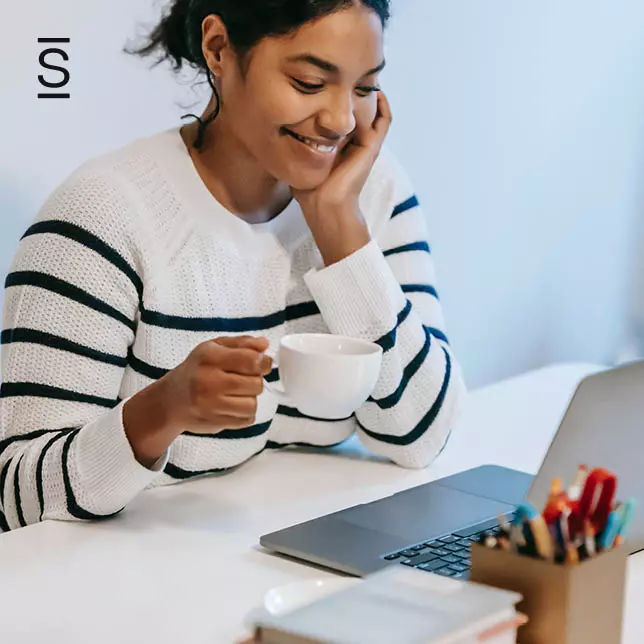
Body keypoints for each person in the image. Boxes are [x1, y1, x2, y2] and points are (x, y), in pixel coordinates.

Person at [0, 0, 466, 532]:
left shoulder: (371, 192)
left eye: (363, 89)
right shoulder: (103, 215)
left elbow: (423, 436)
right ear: (218, 48)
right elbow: (16, 497)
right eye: (310, 83)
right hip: (135, 587)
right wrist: (161, 411)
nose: (340, 121)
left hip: (295, 562)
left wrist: (337, 225)